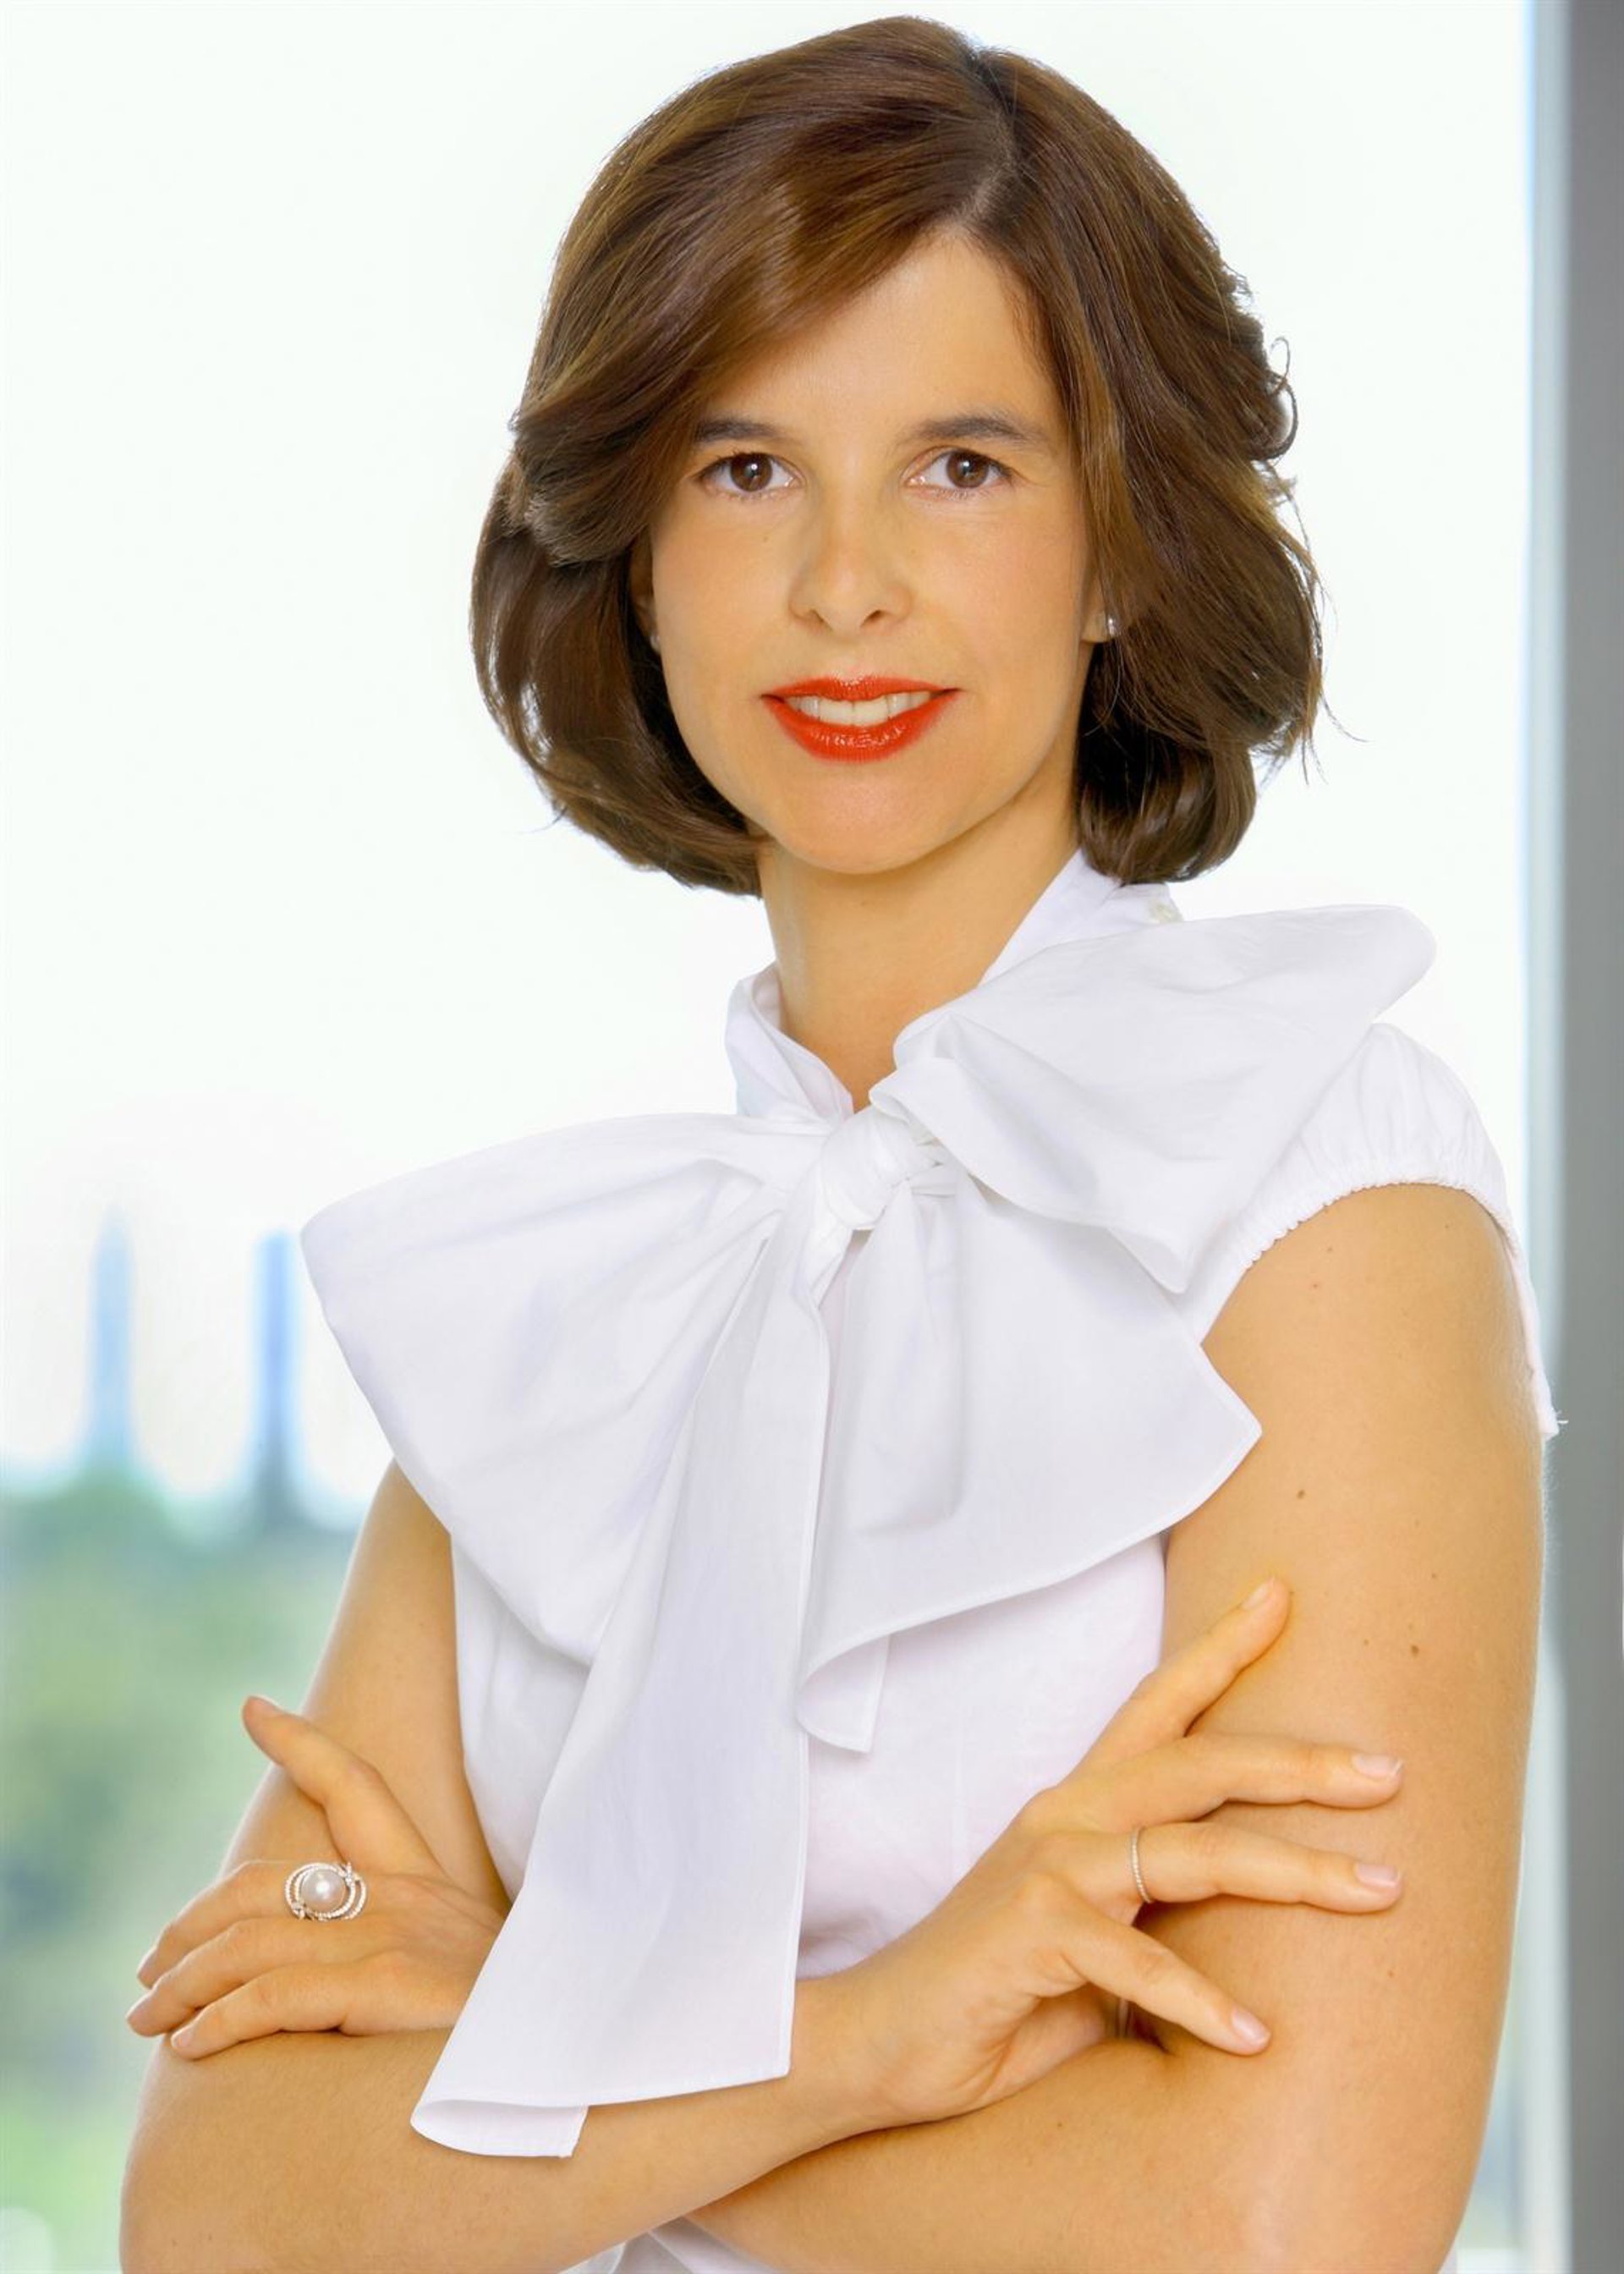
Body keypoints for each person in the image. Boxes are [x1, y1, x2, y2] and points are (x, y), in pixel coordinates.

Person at [121, 18, 1561, 2273]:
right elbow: (218, 2214)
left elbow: (1283, 2224)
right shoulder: (587, 1307)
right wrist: (876, 2040)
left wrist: (522, 2042)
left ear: (1118, 546)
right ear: (636, 561)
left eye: (963, 466)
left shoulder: (1322, 1195)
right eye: (743, 469)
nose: (845, 584)